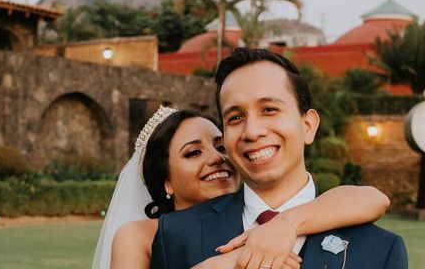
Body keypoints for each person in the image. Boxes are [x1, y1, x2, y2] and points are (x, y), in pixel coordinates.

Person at [150, 48, 409, 269]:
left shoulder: (380, 249)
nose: (252, 131)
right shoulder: (175, 234)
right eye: (236, 117)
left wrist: (286, 224)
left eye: (269, 110)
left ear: (308, 125)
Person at [94, 103, 390, 268]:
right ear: (166, 181)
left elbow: (373, 199)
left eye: (221, 147)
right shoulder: (141, 235)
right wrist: (233, 261)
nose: (216, 159)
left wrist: (284, 225)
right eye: (193, 153)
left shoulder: (259, 215)